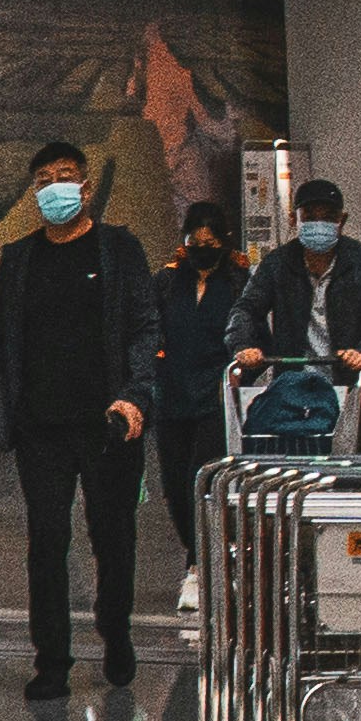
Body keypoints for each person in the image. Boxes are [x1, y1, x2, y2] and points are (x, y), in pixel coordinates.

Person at [0, 143, 159, 696]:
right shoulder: (19, 257)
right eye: (44, 180)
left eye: (65, 177)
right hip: (39, 423)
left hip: (108, 422)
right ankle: (52, 661)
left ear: (86, 187)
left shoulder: (118, 248)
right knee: (46, 541)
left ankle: (116, 635)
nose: (55, 188)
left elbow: (144, 328)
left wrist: (137, 394)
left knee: (111, 538)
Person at [230, 178, 361, 437]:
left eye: (328, 216)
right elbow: (247, 309)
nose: (319, 224)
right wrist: (242, 345)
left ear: (342, 220)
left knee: (355, 471)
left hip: (356, 397)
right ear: (294, 219)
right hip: (295, 396)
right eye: (309, 216)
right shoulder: (278, 264)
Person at [149, 199, 245, 604]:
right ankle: (199, 550)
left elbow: (249, 329)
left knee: (201, 477)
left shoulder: (239, 282)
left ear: (222, 242)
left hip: (216, 395)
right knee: (173, 486)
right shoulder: (167, 282)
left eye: (209, 242)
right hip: (170, 394)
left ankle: (198, 564)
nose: (201, 248)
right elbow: (149, 330)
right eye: (194, 241)